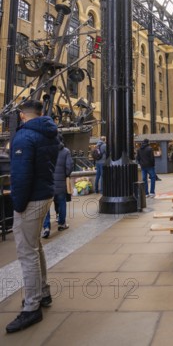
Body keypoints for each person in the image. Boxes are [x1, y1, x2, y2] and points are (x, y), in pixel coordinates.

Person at [6, 100, 59, 334]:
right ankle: (43, 293)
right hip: (45, 195)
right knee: (35, 247)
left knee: (27, 253)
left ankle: (31, 307)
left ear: (22, 115)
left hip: (30, 199)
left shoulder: (24, 137)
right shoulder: (49, 133)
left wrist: (17, 205)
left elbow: (21, 174)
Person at [42, 135, 73, 238]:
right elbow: (69, 167)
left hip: (48, 184)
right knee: (62, 204)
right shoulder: (66, 151)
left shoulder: (46, 150)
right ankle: (61, 224)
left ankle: (46, 227)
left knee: (46, 207)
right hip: (60, 184)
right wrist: (66, 175)